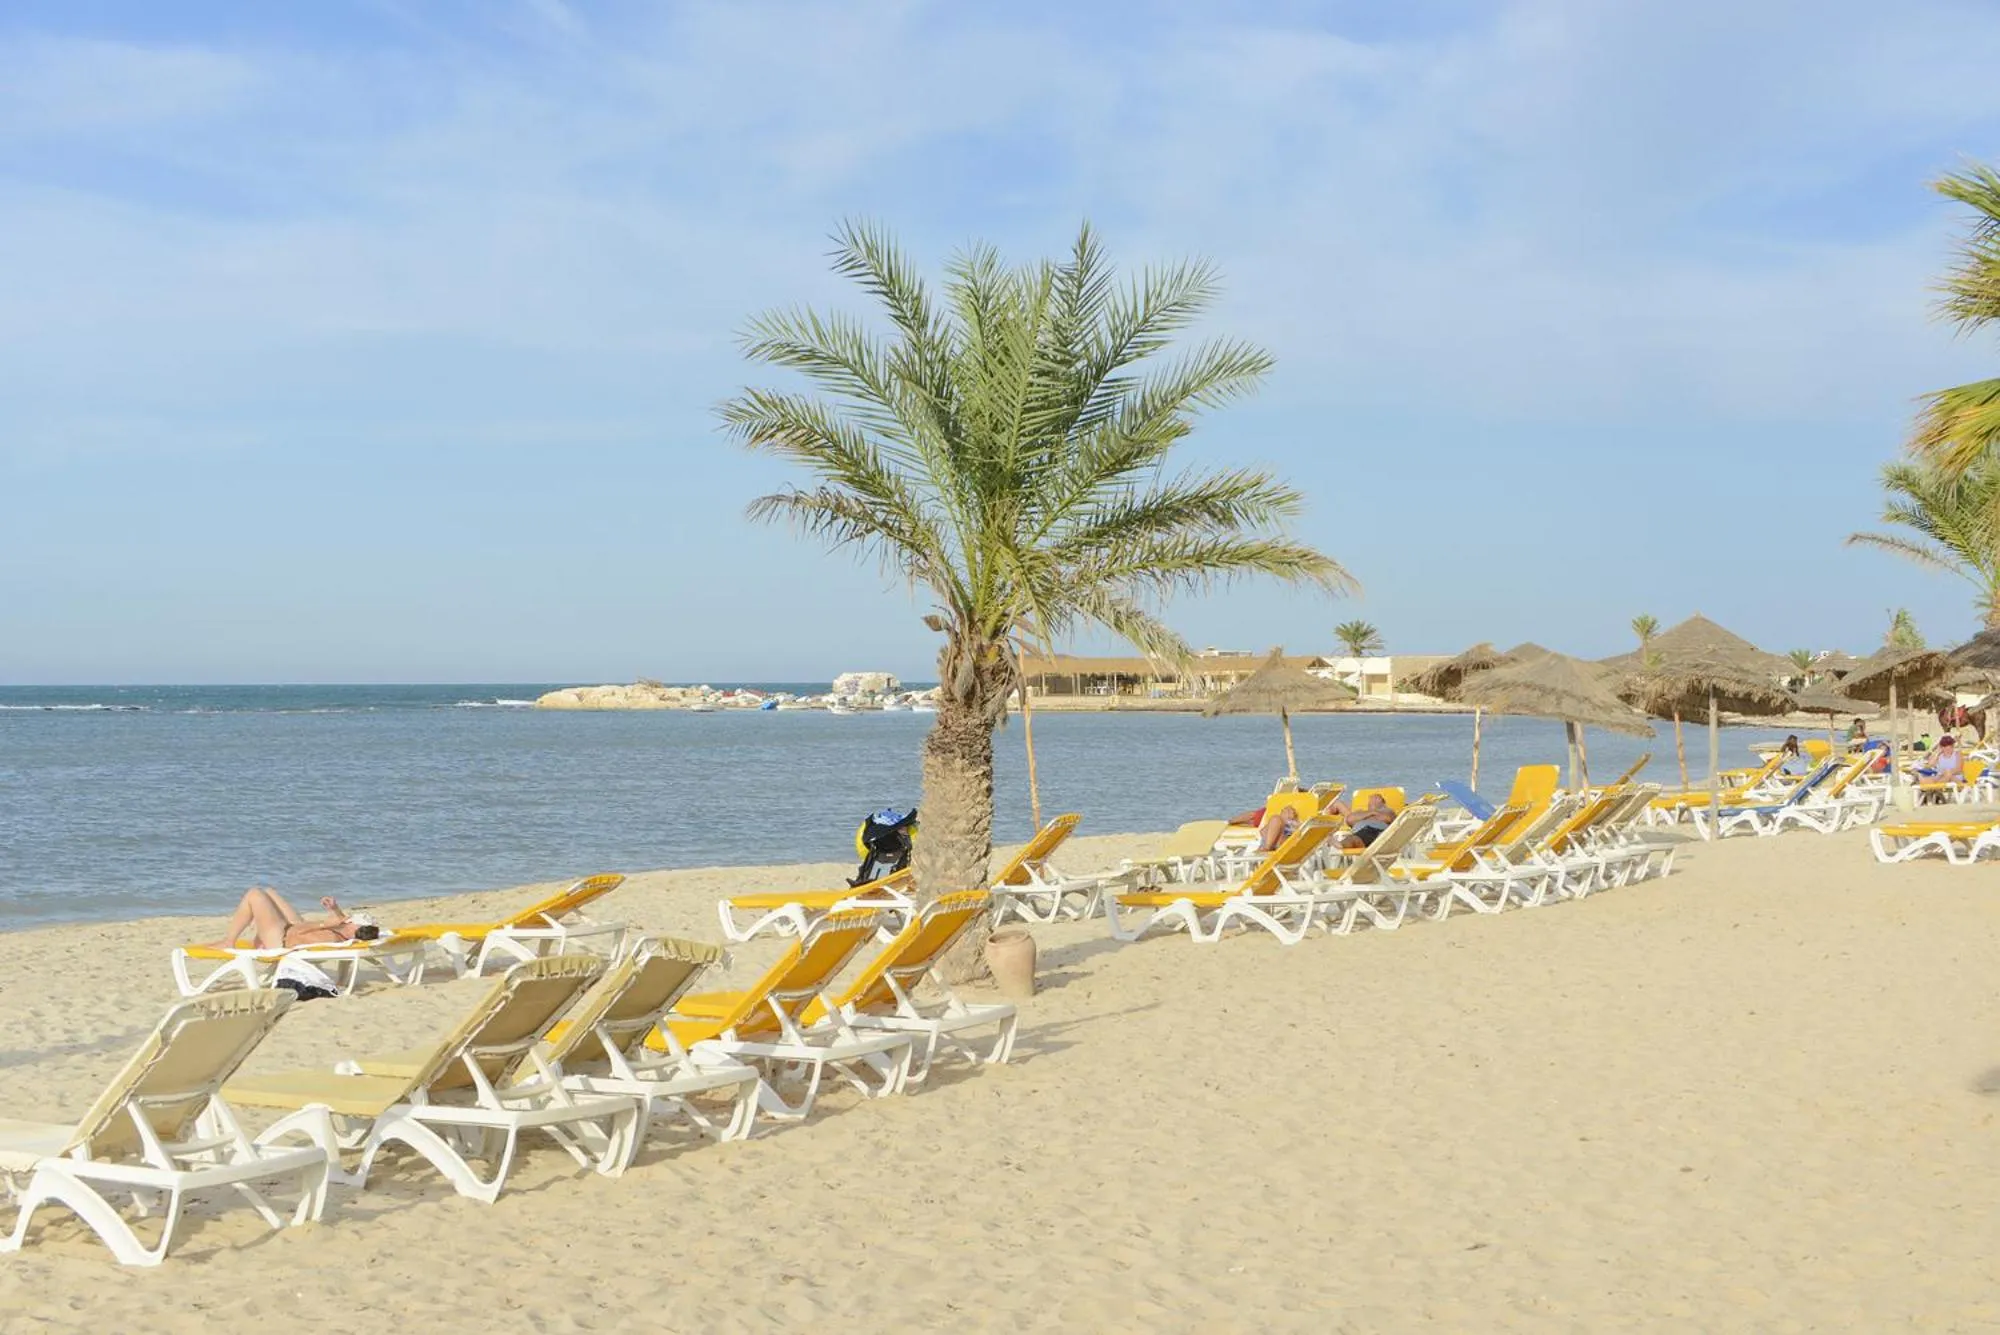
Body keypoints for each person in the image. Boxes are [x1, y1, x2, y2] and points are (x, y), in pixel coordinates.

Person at [210, 887, 380, 950]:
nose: (349, 918)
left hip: (281, 937)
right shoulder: (346, 932)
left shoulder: (332, 938)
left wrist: (323, 924)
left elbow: (298, 937)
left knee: (254, 894)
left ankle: (229, 941)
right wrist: (334, 909)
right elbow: (342, 919)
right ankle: (259, 927)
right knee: (269, 892)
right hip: (294, 927)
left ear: (355, 928)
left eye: (354, 919)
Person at [1328, 794, 1395, 849]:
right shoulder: (1361, 811)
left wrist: (1364, 816)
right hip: (1360, 834)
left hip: (1378, 832)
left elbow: (1388, 818)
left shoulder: (1388, 810)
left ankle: (1340, 845)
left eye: (1377, 798)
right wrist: (1372, 813)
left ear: (1383, 803)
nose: (1373, 800)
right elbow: (1350, 819)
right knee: (1353, 839)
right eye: (1371, 799)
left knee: (1354, 839)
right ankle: (1340, 845)